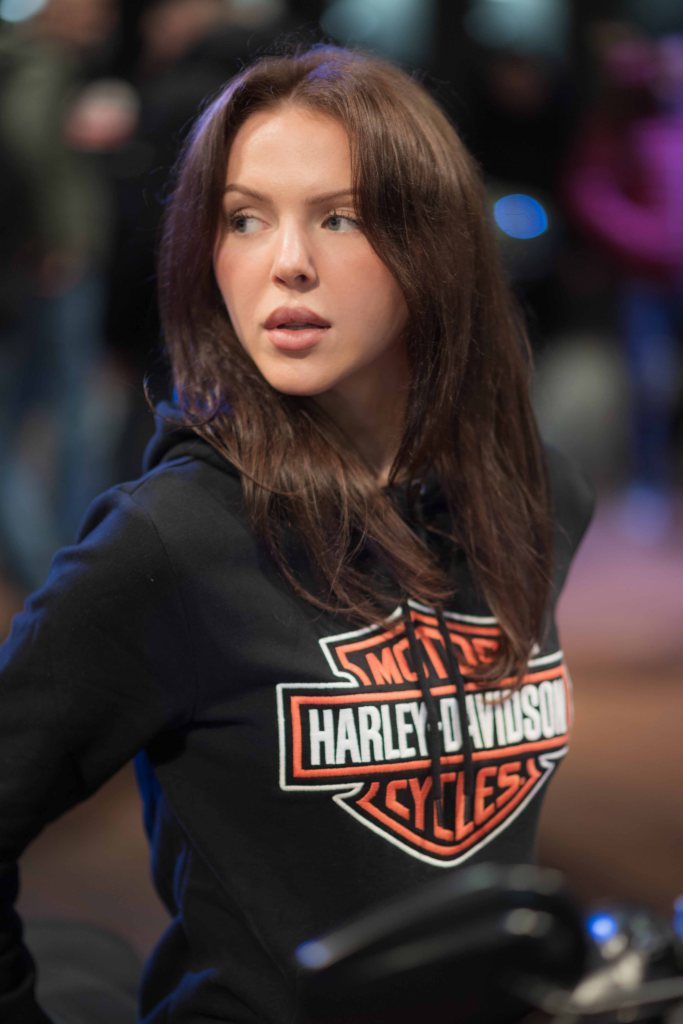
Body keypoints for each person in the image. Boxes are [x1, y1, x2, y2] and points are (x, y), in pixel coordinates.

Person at [0, 44, 594, 1024]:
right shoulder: (173, 540)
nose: (286, 262)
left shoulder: (535, 494)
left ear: (434, 240)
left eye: (337, 217)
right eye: (243, 219)